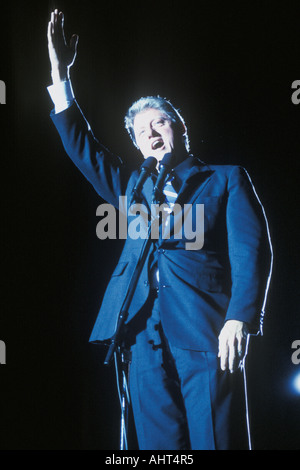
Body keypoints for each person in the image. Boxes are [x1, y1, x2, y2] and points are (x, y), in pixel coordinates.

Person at [47, 10, 273, 450]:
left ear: (180, 129)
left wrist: (240, 318)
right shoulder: (130, 187)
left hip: (205, 330)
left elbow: (252, 251)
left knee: (217, 441)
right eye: (140, 131)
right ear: (135, 144)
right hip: (139, 336)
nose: (150, 134)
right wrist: (59, 74)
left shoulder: (225, 179)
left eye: (160, 123)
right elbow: (83, 148)